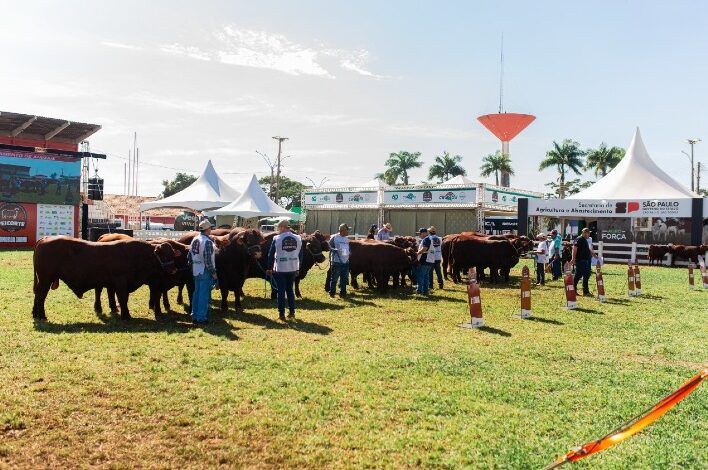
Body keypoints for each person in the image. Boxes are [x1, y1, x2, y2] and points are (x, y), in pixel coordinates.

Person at [267, 220, 303, 320]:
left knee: (281, 291)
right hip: (293, 267)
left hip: (280, 268)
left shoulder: (276, 238)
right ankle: (292, 312)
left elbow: (270, 254)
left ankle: (281, 313)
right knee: (290, 290)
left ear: (282, 227)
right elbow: (300, 255)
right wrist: (298, 268)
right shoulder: (298, 238)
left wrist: (269, 267)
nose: (278, 230)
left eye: (279, 228)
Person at [188, 219, 218, 324]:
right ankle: (201, 317)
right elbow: (208, 261)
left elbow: (189, 256)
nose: (211, 229)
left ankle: (194, 315)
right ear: (207, 229)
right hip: (205, 270)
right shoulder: (208, 242)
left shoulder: (195, 239)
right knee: (204, 295)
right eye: (210, 228)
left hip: (196, 269)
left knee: (196, 293)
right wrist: (214, 274)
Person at [329, 223, 351, 298]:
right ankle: (332, 292)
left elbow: (348, 248)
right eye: (347, 230)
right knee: (334, 278)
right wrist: (333, 249)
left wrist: (350, 252)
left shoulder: (346, 238)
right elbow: (329, 246)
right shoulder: (334, 237)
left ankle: (343, 293)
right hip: (337, 261)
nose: (348, 231)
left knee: (344, 278)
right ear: (342, 230)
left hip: (346, 261)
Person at [571, 227, 593, 296]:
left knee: (578, 275)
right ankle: (585, 292)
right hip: (581, 260)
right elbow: (574, 249)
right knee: (585, 274)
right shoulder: (579, 239)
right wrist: (573, 259)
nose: (589, 235)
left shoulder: (583, 239)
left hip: (584, 260)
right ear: (584, 233)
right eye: (588, 233)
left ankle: (574, 290)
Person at [416, 227, 435, 296]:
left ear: (424, 233)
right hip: (430, 260)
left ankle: (419, 291)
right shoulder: (431, 238)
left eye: (420, 233)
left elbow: (425, 248)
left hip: (425, 260)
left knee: (420, 276)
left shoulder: (426, 239)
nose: (419, 235)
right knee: (426, 276)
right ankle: (426, 291)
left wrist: (417, 253)